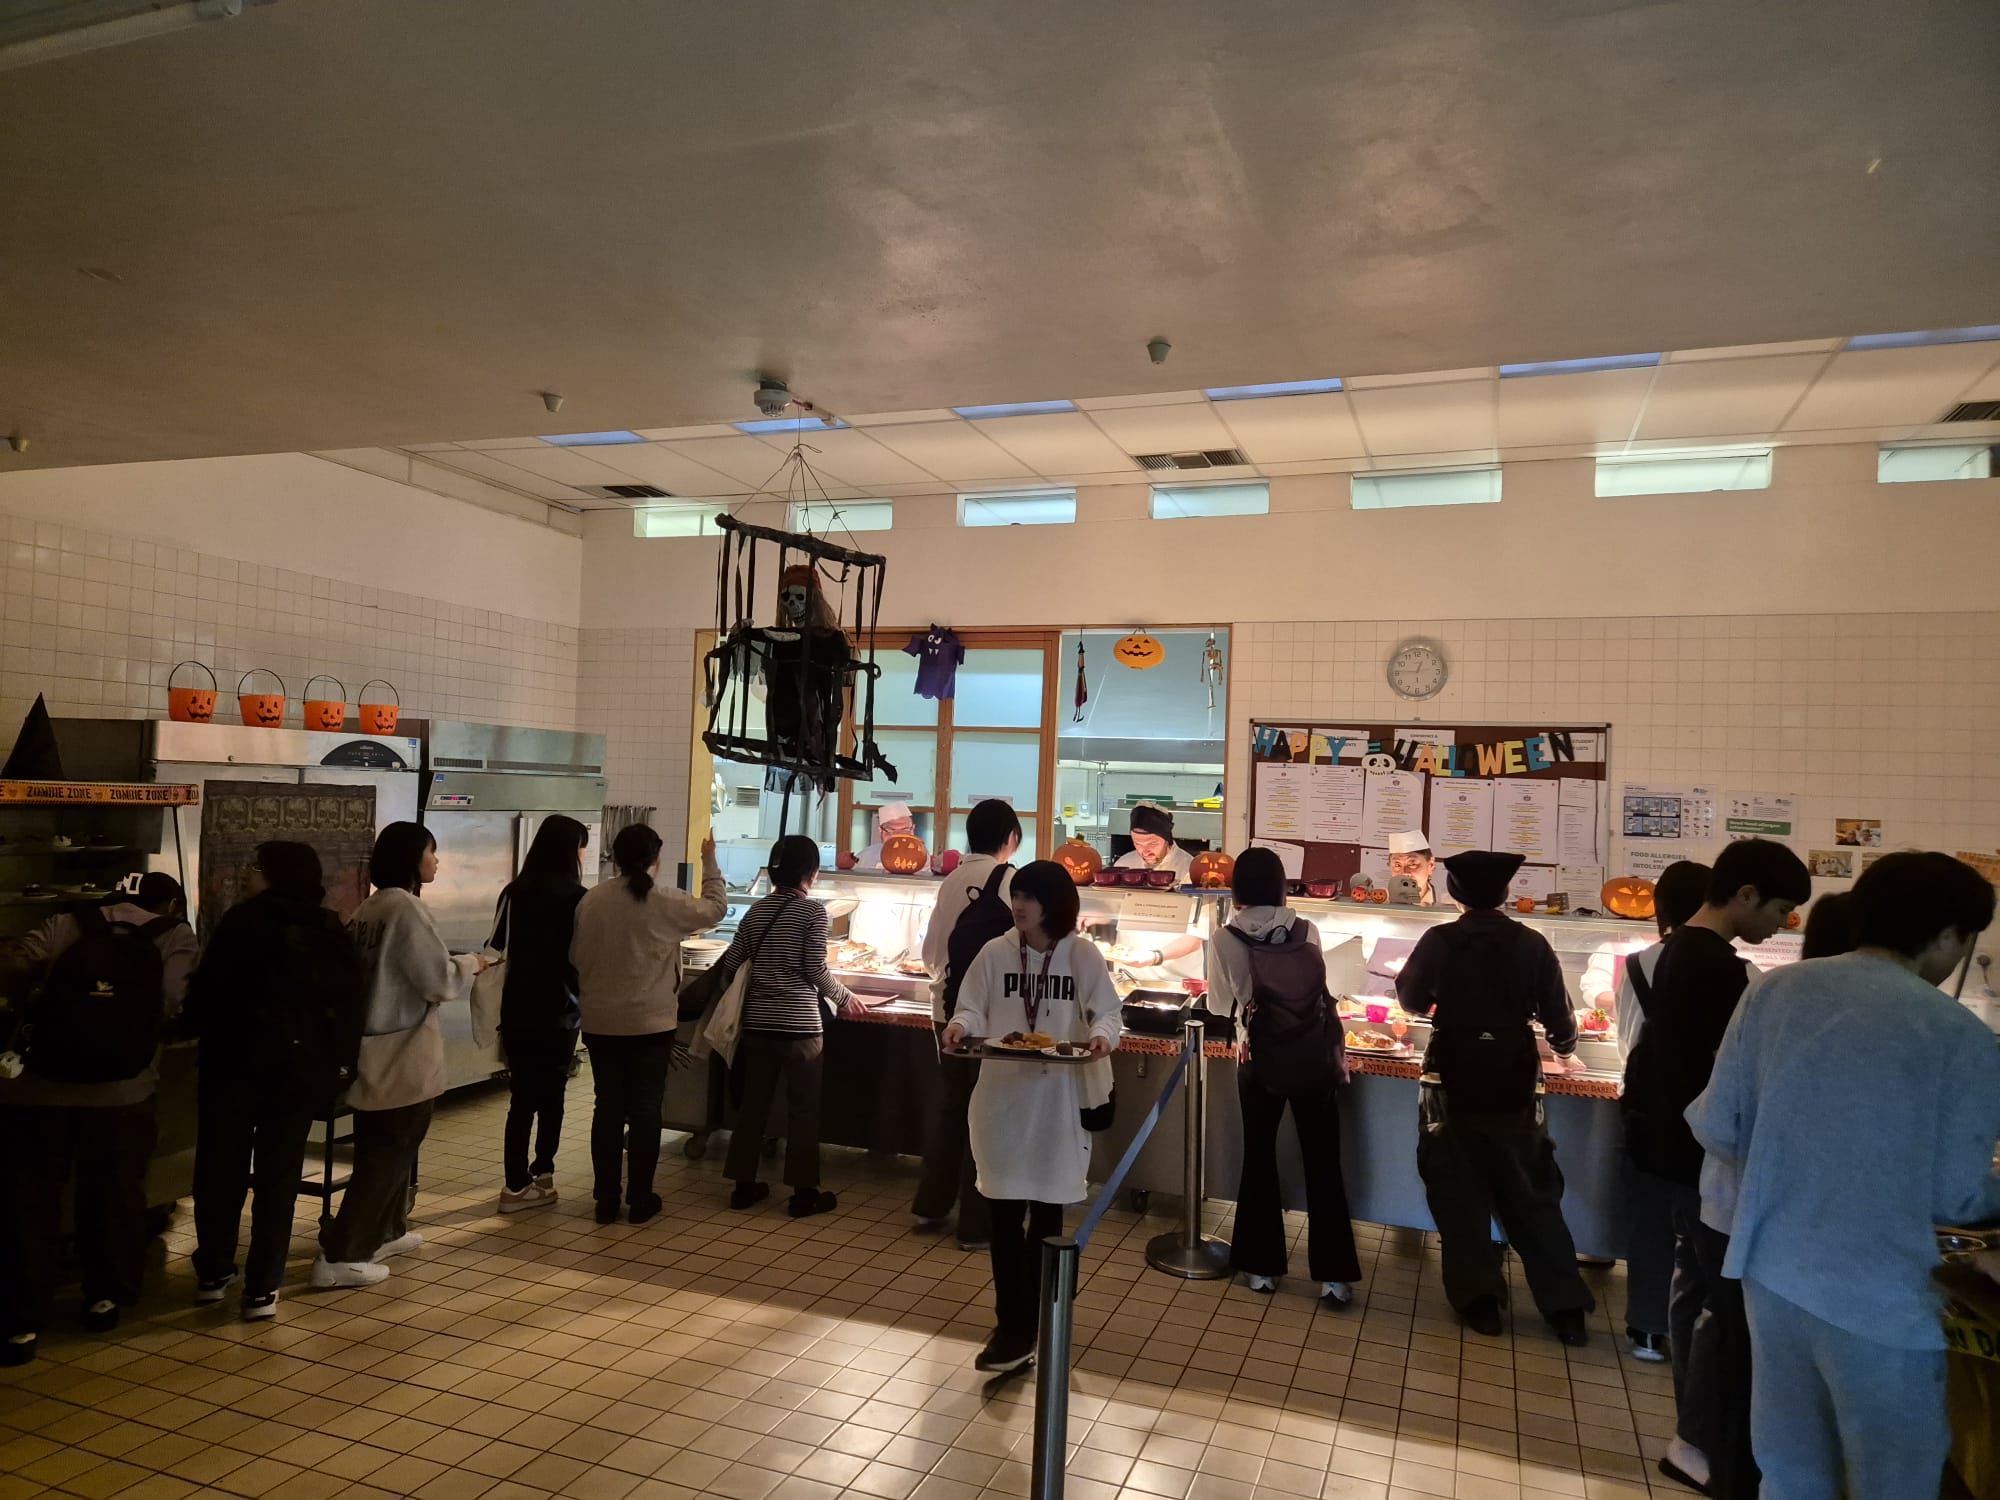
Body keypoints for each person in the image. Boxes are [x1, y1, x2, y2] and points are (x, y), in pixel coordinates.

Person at [1688, 852, 2000, 1500]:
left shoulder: (1774, 992)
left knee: (1790, 1471)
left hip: (1771, 1276)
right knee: (1892, 1482)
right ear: (1948, 935)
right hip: (1881, 1298)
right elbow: (1959, 1195)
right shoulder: (1960, 1035)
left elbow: (1717, 1126)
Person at [1621, 837, 1808, 1497]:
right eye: (1780, 909)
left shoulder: (1677, 952)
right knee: (1714, 1302)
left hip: (1669, 1147)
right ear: (1745, 894)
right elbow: (1726, 1080)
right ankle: (1698, 1440)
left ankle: (1693, 1432)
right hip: (1701, 1157)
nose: (1781, 925)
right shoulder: (1721, 971)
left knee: (1691, 1288)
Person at [1395, 850, 1595, 1343]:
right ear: (1505, 894)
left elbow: (1410, 999)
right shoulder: (1531, 943)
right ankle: (1565, 1308)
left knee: (1458, 1192)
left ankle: (1480, 1303)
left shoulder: (1439, 940)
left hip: (1450, 1079)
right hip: (1516, 1078)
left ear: (1455, 893)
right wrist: (1565, 1050)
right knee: (1532, 1191)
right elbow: (1560, 1018)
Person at [0, 876, 195, 1364]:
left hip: (38, 1090)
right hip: (123, 1091)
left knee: (30, 1202)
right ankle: (103, 1298)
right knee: (113, 1193)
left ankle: (23, 1318)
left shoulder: (64, 923)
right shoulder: (174, 936)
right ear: (166, 904)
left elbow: (15, 964)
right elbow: (171, 1002)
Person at [943, 860, 1120, 1374]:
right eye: (1016, 895)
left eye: (1030, 897)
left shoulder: (1080, 955)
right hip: (1002, 1102)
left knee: (1046, 1216)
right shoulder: (995, 952)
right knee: (1002, 1216)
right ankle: (1012, 1326)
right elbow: (971, 1006)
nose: (1019, 905)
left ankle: (1040, 1320)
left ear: (1054, 904)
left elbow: (1108, 1011)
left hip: (1056, 1105)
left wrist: (1102, 1037)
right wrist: (959, 1026)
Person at [187, 843, 364, 1320]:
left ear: (276, 875)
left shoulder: (241, 923)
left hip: (231, 1067)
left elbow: (206, 992)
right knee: (279, 1176)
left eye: (256, 867)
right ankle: (263, 1287)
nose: (247, 874)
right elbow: (349, 1005)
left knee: (219, 1169)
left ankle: (214, 1272)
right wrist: (338, 1066)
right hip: (296, 1074)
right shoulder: (327, 928)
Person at [313, 823, 488, 1291]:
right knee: (389, 1152)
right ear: (412, 858)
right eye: (431, 852)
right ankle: (343, 1255)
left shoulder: (370, 907)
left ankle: (387, 1231)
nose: (437, 861)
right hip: (402, 1051)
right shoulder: (407, 909)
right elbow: (437, 980)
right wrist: (471, 963)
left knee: (388, 1146)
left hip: (371, 1047)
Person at [1208, 847, 1360, 1310]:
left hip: (1258, 1059)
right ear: (1280, 886)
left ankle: (1261, 1268)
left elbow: (1219, 1005)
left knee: (1259, 1156)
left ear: (1236, 888)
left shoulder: (1224, 937)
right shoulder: (1306, 928)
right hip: (1313, 1057)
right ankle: (1334, 1277)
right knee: (1323, 1161)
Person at [571, 823, 726, 1225]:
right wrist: (709, 861)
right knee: (645, 1109)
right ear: (656, 859)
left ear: (615, 858)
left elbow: (576, 957)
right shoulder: (666, 900)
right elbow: (715, 909)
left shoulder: (593, 900)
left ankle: (606, 1200)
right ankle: (640, 1198)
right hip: (651, 1024)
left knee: (607, 1107)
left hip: (601, 1021)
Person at [709, 834, 861, 1218]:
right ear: (812, 872)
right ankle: (803, 1195)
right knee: (803, 1111)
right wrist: (846, 997)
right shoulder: (813, 913)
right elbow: (815, 970)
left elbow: (731, 965)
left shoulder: (756, 911)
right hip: (800, 1028)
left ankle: (743, 1188)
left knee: (753, 1106)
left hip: (758, 1026)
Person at [1600, 859, 1710, 1364]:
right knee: (1704, 1223)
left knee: (1650, 1222)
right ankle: (1700, 1326)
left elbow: (1625, 1042)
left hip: (1646, 1108)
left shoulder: (1638, 964)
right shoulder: (1743, 972)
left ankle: (1646, 1330)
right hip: (1707, 1116)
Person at [911, 799, 1021, 1249]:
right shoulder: (1011, 880)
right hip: (993, 1016)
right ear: (1011, 838)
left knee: (953, 1105)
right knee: (987, 1112)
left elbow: (931, 955)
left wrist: (947, 984)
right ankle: (977, 1226)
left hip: (947, 1011)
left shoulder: (950, 880)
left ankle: (931, 1205)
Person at [491, 815, 589, 1214]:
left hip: (517, 1008)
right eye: (580, 847)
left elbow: (496, 946)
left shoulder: (513, 892)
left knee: (521, 1098)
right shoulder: (579, 898)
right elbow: (583, 956)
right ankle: (543, 1172)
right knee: (553, 1095)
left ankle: (515, 1183)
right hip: (562, 1010)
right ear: (569, 851)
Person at [1114, 801, 1194, 883]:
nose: (1145, 852)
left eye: (1152, 844)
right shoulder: (1123, 865)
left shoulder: (1189, 870)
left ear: (1166, 840)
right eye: (1138, 844)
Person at [854, 803, 917, 872]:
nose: (898, 836)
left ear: (912, 829)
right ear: (880, 830)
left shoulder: (924, 860)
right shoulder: (864, 857)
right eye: (891, 831)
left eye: (904, 830)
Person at [1386, 830, 1440, 906]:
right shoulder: (1380, 901)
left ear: (1430, 865)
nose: (1404, 873)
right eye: (1397, 865)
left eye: (1412, 864)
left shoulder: (1447, 903)